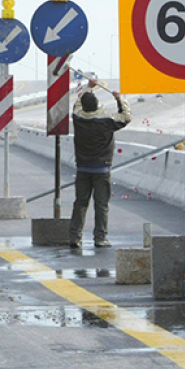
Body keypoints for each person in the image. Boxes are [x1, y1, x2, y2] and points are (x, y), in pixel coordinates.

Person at [69, 79, 131, 249]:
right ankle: (100, 238)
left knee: (80, 203)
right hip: (102, 168)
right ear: (97, 105)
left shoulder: (78, 118)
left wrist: (89, 87)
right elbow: (126, 117)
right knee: (101, 204)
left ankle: (75, 237)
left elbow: (77, 105)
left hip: (82, 168)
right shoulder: (107, 121)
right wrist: (120, 99)